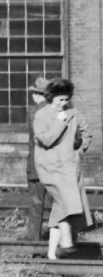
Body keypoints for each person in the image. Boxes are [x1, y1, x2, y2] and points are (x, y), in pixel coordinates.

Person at [33, 78, 92, 260]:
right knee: (65, 201)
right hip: (50, 168)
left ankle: (53, 254)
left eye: (66, 99)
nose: (63, 103)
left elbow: (87, 132)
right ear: (51, 98)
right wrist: (60, 122)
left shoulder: (74, 113)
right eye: (60, 100)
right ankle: (66, 242)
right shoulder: (42, 115)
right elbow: (47, 139)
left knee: (60, 207)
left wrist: (80, 150)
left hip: (70, 168)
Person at [22, 77, 49, 241]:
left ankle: (33, 236)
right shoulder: (58, 112)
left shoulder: (34, 112)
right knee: (57, 205)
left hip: (36, 164)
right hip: (54, 166)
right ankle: (61, 238)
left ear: (37, 95)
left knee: (35, 202)